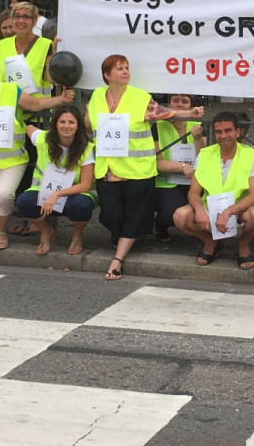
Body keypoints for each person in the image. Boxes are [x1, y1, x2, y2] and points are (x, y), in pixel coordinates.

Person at [86, 55, 204, 280]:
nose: (125, 71)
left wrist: (189, 114)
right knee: (110, 214)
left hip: (137, 169)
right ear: (107, 75)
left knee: (134, 215)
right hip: (107, 169)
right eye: (119, 68)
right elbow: (90, 121)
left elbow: (163, 113)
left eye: (127, 67)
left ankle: (118, 259)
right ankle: (123, 236)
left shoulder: (140, 97)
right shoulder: (97, 96)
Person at [0, 55, 74, 272]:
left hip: (12, 159)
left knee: (4, 195)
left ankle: (0, 229)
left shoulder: (11, 90)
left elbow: (36, 104)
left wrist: (61, 100)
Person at [173, 112, 254, 271]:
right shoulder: (205, 154)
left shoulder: (252, 156)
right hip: (210, 208)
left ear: (238, 132)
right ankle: (210, 242)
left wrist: (229, 212)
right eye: (219, 132)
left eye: (228, 130)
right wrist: (199, 209)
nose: (223, 136)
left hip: (239, 210)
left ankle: (243, 246)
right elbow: (194, 192)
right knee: (180, 216)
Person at [15, 105, 95, 256]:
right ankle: (45, 231)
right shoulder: (44, 139)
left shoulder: (86, 148)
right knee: (23, 202)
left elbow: (85, 185)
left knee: (83, 205)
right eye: (62, 122)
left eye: (71, 122)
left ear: (78, 126)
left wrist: (57, 194)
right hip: (43, 192)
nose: (66, 126)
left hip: (73, 195)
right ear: (55, 124)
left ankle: (77, 236)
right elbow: (29, 127)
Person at [0, 0, 56, 206]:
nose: (21, 20)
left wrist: (55, 54)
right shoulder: (1, 45)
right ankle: (20, 211)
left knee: (35, 165)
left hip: (38, 115)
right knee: (14, 164)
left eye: (26, 17)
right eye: (17, 16)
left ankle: (34, 214)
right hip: (10, 115)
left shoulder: (45, 45)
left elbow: (51, 80)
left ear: (33, 21)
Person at [153, 93, 206, 242]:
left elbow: (204, 157)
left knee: (202, 206)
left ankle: (197, 230)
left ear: (190, 106)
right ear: (168, 105)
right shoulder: (157, 126)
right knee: (172, 211)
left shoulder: (199, 126)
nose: (180, 104)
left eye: (185, 101)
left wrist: (197, 138)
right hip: (166, 181)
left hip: (194, 180)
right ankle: (161, 226)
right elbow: (156, 162)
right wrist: (181, 166)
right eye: (175, 101)